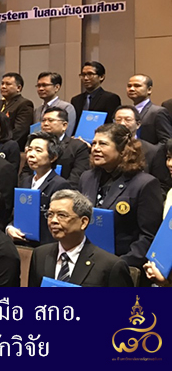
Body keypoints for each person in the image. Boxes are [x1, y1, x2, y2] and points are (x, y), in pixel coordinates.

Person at [78, 123, 163, 269]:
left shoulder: (144, 184)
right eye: (94, 143)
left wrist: (119, 264)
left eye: (103, 144)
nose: (95, 148)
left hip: (122, 263)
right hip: (85, 258)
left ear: (123, 150)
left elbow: (149, 236)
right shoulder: (86, 177)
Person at [28, 190, 133, 287]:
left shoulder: (111, 265)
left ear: (83, 222)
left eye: (61, 215)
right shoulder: (40, 255)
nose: (53, 220)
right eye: (50, 214)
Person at [7, 132, 71, 246]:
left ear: (53, 157)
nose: (31, 154)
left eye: (38, 150)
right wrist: (10, 228)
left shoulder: (60, 184)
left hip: (45, 246)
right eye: (29, 149)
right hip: (20, 241)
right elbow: (16, 214)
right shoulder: (26, 181)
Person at [113, 105, 172, 194]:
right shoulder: (107, 149)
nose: (122, 123)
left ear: (138, 124)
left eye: (127, 120)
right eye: (118, 120)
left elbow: (162, 185)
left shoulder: (152, 151)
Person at [38, 107, 90, 184]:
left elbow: (77, 177)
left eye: (50, 120)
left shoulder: (78, 147)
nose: (45, 124)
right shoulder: (36, 144)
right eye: (43, 120)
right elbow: (26, 173)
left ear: (64, 125)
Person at [126, 74, 172, 145]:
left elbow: (166, 141)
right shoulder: (126, 111)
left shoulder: (158, 112)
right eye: (129, 86)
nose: (131, 89)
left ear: (149, 90)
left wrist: (150, 150)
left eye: (137, 86)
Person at [0, 72, 34, 150]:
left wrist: (2, 145)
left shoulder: (24, 104)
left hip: (11, 147)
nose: (3, 87)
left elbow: (20, 131)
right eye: (2, 84)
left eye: (8, 84)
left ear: (18, 88)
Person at [33, 72, 77, 137]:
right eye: (38, 86)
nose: (40, 89)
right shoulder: (37, 110)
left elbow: (67, 134)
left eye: (44, 85)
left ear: (57, 87)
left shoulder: (66, 107)